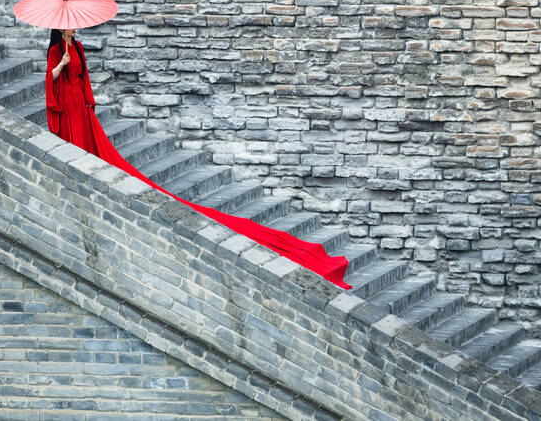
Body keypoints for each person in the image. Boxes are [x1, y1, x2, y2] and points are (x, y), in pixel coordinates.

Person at [45, 28, 352, 290]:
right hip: (65, 105)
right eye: (68, 27)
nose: (73, 30)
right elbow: (51, 79)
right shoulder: (57, 51)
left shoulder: (80, 48)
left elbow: (85, 81)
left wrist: (87, 100)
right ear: (59, 30)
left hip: (79, 107)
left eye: (73, 27)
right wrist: (61, 65)